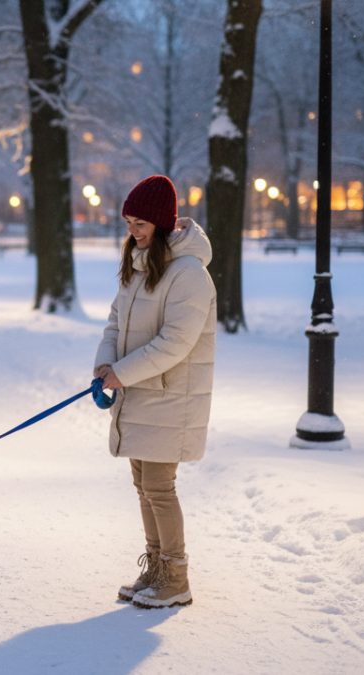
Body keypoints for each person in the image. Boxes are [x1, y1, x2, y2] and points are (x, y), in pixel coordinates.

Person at [93, 175, 216, 610]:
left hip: (170, 396)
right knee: (143, 484)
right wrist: (106, 365)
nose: (133, 230)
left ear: (162, 223)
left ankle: (176, 576)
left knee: (160, 487)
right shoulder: (139, 264)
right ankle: (156, 568)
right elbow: (114, 324)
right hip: (138, 391)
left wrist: (122, 373)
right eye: (128, 221)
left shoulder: (188, 274)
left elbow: (176, 342)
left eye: (140, 222)